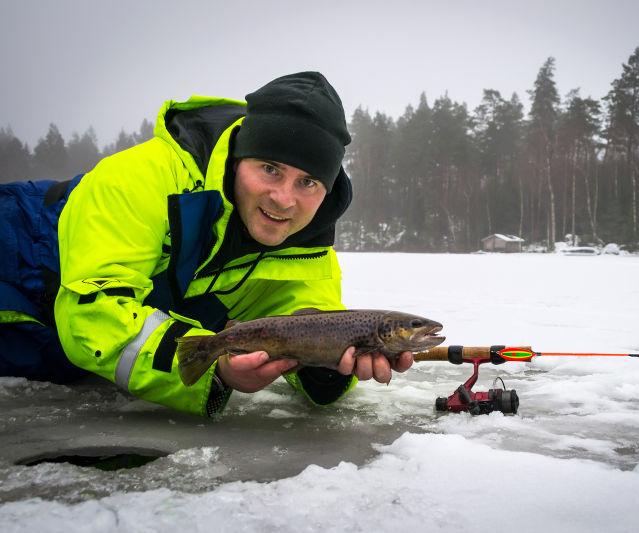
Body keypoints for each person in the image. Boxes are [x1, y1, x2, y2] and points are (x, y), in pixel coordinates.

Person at [0, 71, 413, 417]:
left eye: (308, 182)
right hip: (20, 252)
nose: (284, 199)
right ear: (238, 159)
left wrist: (331, 368)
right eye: (270, 169)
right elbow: (93, 311)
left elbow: (304, 339)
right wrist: (219, 374)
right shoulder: (141, 178)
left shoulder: (309, 256)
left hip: (61, 341)